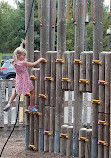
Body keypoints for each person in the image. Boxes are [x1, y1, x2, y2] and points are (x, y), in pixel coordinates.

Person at [4, 41, 44, 112]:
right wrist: (40, 60)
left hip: (19, 79)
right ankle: (31, 106)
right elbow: (32, 64)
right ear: (19, 55)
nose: (25, 56)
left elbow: (19, 51)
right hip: (25, 79)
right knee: (32, 91)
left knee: (15, 92)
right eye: (24, 55)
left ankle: (9, 103)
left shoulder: (14, 62)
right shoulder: (23, 62)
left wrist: (22, 45)